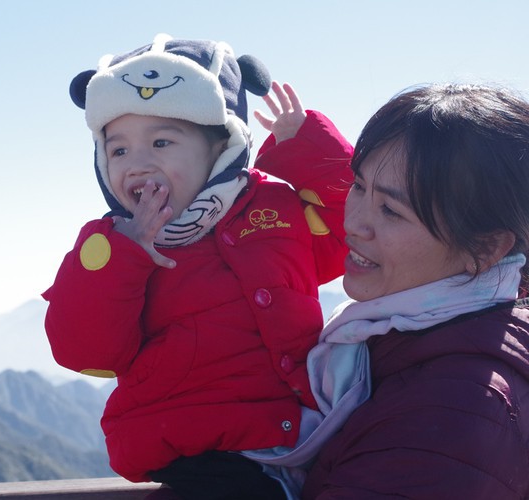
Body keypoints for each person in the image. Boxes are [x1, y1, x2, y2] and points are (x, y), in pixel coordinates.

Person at [42, 34, 353, 499]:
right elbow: (85, 351)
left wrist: (306, 147)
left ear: (221, 145)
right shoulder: (111, 246)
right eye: (118, 150)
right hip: (196, 443)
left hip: (302, 432)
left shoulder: (275, 205)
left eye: (162, 141)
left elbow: (352, 238)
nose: (138, 163)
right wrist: (126, 256)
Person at [289, 83, 529, 499]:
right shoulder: (395, 337)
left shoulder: (454, 411)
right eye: (359, 187)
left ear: (487, 248)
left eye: (391, 210)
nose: (354, 224)